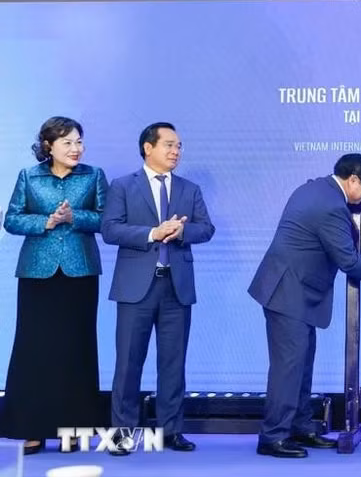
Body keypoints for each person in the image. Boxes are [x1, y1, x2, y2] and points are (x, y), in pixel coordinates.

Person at [248, 153, 361, 458]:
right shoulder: (331, 206)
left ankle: (301, 428)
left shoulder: (317, 188)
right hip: (288, 291)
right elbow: (347, 260)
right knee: (288, 368)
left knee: (302, 365)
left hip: (296, 289)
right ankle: (273, 437)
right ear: (353, 180)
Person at [101, 122, 215, 455]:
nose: (175, 151)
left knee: (173, 363)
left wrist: (180, 233)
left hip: (176, 287)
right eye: (169, 145)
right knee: (128, 364)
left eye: (179, 146)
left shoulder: (189, 189)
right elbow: (110, 230)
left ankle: (170, 431)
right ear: (147, 147)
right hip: (135, 289)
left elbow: (206, 229)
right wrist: (153, 233)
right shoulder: (123, 186)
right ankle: (121, 435)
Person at [1, 116, 107, 455]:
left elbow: (107, 219)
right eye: (68, 143)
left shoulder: (93, 175)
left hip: (79, 272)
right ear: (49, 146)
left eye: (79, 142)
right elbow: (12, 219)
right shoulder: (28, 177)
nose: (77, 148)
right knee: (35, 351)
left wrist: (75, 217)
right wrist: (46, 221)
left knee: (75, 350)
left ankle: (72, 431)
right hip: (37, 274)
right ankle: (31, 429)